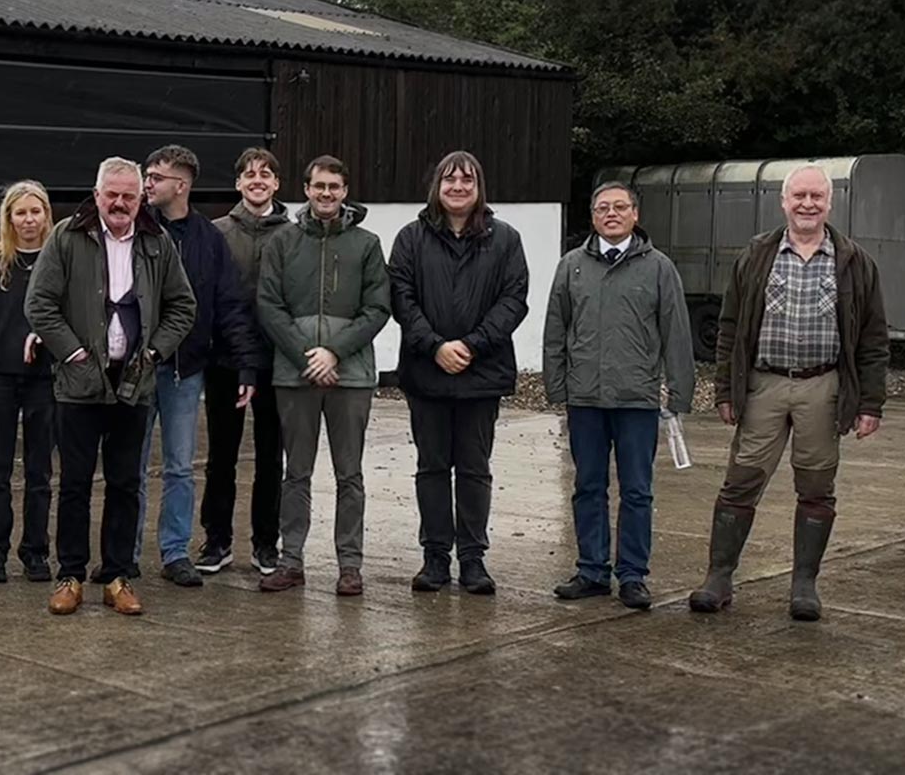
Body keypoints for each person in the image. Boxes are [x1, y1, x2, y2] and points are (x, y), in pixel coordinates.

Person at [687, 165, 888, 622]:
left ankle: (804, 585)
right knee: (741, 480)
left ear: (830, 202)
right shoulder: (757, 255)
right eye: (799, 195)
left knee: (817, 485)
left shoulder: (855, 261)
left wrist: (870, 403)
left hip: (825, 385)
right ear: (783, 201)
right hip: (764, 385)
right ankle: (718, 578)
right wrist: (724, 389)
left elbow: (873, 339)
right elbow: (730, 327)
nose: (808, 204)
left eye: (817, 196)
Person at [26, 157, 196, 617]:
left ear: (142, 197)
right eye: (112, 194)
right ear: (97, 194)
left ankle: (118, 576)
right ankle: (71, 575)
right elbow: (39, 303)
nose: (120, 203)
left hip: (133, 384)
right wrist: (73, 353)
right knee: (75, 484)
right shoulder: (66, 236)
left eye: (129, 195)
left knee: (125, 483)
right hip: (78, 385)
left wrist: (156, 353)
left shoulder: (158, 242)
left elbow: (183, 305)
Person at [544, 181, 693, 610]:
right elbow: (557, 329)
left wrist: (679, 393)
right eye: (603, 208)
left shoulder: (659, 268)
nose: (611, 213)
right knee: (587, 486)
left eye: (620, 207)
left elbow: (677, 334)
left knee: (637, 490)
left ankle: (632, 574)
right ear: (592, 217)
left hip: (637, 401)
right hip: (585, 400)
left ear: (635, 215)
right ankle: (591, 570)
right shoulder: (571, 266)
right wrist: (558, 386)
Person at [389, 150, 530, 596]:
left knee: (474, 469)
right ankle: (434, 558)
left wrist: (471, 345)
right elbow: (401, 297)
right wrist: (434, 346)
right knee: (431, 467)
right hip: (426, 372)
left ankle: (473, 560)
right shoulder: (411, 238)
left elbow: (514, 299)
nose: (457, 188)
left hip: (480, 374)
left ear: (478, 187)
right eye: (449, 180)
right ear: (437, 186)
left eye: (466, 181)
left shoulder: (505, 239)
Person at [257, 155, 391, 597]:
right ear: (306, 189)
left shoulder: (367, 244)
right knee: (295, 472)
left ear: (345, 190)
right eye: (319, 186)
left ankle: (349, 565)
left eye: (335, 186)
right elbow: (269, 306)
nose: (327, 193)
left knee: (349, 474)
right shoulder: (283, 241)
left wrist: (334, 352)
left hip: (350, 377)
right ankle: (290, 559)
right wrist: (304, 356)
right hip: (294, 376)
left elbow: (377, 308)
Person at [134, 145, 260, 588]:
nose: (147, 183)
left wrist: (246, 367)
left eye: (156, 176)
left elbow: (229, 306)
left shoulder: (209, 240)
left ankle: (175, 553)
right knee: (130, 465)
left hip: (184, 371)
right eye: (146, 175)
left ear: (181, 185)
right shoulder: (134, 230)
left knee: (179, 467)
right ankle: (124, 553)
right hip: (135, 368)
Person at [198, 147, 289, 576]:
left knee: (272, 456)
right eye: (249, 174)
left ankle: (266, 544)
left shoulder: (293, 234)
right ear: (237, 183)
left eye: (265, 174)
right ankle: (217, 541)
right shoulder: (216, 233)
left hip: (277, 362)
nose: (257, 180)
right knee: (221, 455)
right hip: (225, 361)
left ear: (276, 184)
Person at [0, 180, 57, 584]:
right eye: (20, 212)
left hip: (45, 381)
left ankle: (35, 551)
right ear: (9, 218)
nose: (28, 219)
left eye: (35, 211)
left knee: (40, 473)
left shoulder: (60, 260)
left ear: (46, 214)